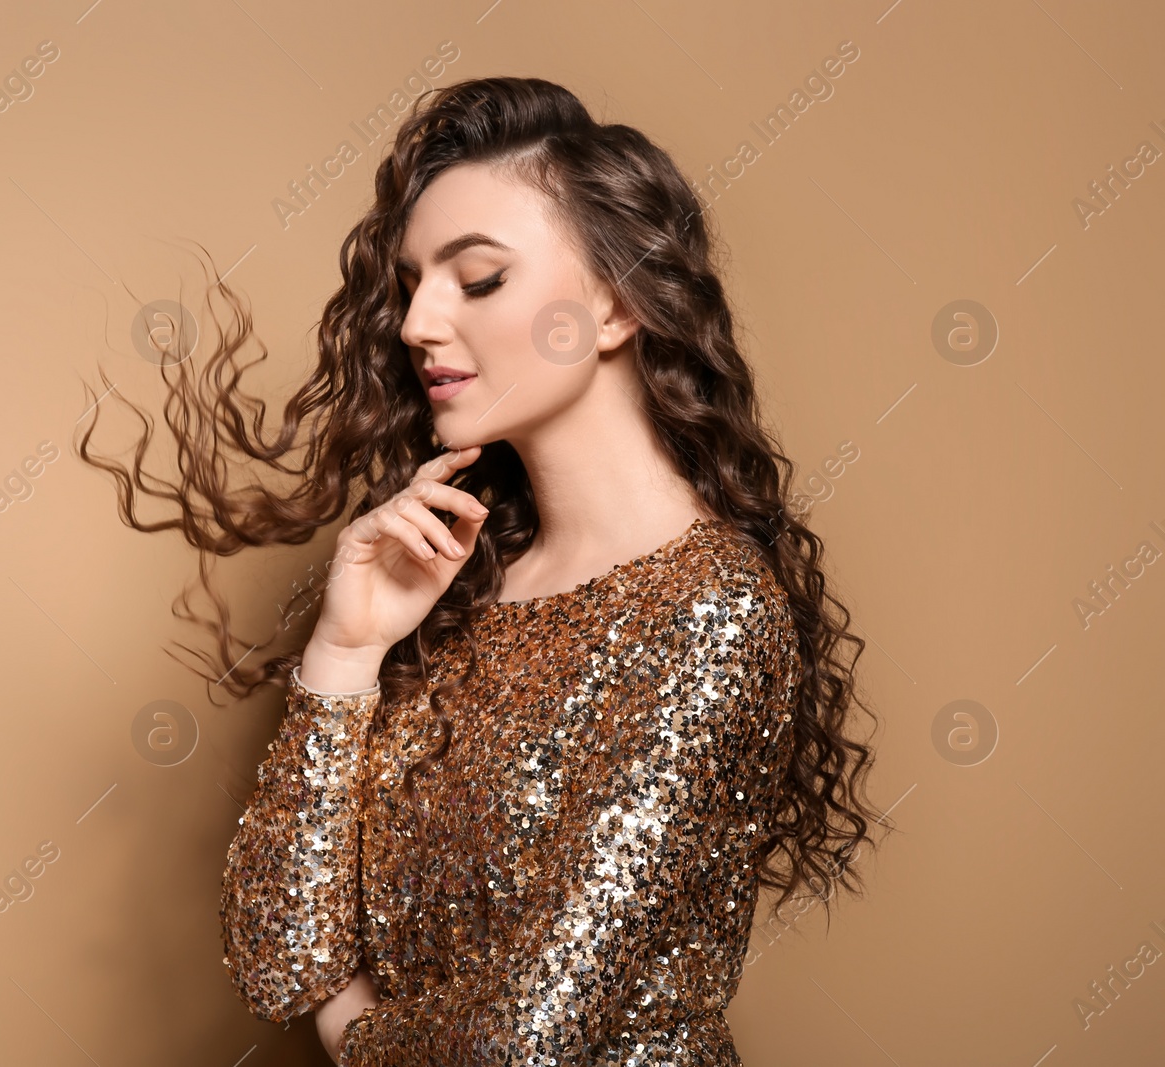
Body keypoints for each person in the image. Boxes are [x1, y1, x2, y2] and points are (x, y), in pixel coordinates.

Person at [78, 76, 881, 1065]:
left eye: (479, 278)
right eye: (412, 283)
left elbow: (524, 1042)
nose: (417, 323)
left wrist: (351, 1030)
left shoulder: (710, 608)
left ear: (618, 302)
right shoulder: (456, 583)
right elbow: (277, 958)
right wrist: (345, 649)